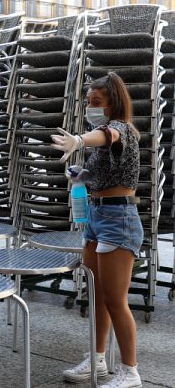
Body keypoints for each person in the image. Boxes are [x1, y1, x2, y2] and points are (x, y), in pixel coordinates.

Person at [52, 72, 143, 388]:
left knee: (115, 300)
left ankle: (130, 372)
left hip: (119, 219)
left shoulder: (122, 129)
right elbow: (101, 169)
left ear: (112, 104)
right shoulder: (103, 136)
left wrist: (79, 140)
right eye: (88, 102)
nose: (91, 108)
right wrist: (82, 173)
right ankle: (98, 359)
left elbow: (107, 135)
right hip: (97, 215)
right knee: (97, 295)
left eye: (97, 103)